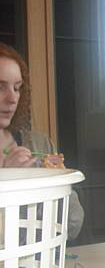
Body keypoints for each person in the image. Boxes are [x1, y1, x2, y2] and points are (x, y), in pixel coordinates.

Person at [0, 43, 84, 239]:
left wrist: (60, 183)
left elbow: (73, 226)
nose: (13, 98)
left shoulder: (38, 145)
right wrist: (10, 181)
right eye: (0, 86)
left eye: (17, 88)